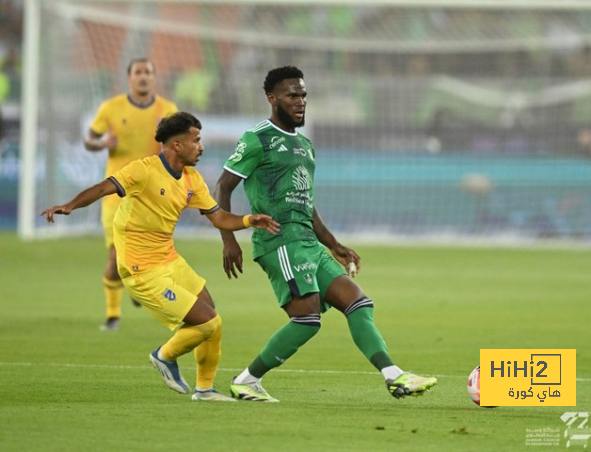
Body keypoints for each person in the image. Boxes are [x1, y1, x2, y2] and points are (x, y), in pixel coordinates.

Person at [214, 66, 437, 402]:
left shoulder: (305, 145)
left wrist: (333, 244)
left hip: (307, 241)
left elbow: (306, 203)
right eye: (292, 95)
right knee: (307, 319)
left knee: (359, 302)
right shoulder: (257, 139)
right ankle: (246, 380)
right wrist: (229, 238)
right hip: (279, 241)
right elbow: (223, 185)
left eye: (303, 94)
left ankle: (394, 376)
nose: (300, 101)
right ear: (272, 98)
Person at [42, 112, 280, 402]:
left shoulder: (192, 179)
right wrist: (70, 205)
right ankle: (164, 356)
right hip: (140, 268)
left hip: (168, 259)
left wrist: (247, 220)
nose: (201, 147)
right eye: (196, 140)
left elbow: (218, 217)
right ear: (177, 145)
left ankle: (205, 390)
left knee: (211, 315)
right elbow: (104, 187)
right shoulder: (143, 170)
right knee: (208, 323)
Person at [83, 58, 178, 331]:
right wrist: (101, 143)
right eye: (138, 72)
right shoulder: (111, 108)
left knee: (150, 256)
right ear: (129, 78)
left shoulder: (167, 110)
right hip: (116, 192)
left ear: (154, 77)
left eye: (148, 72)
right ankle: (113, 316)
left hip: (152, 196)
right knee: (116, 256)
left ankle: (137, 289)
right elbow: (89, 139)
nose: (143, 77)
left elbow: (178, 147)